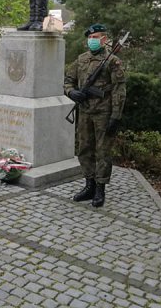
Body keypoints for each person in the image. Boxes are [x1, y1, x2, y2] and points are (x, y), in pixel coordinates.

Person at [64, 23, 126, 207]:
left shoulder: (113, 61)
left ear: (104, 40)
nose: (92, 40)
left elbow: (119, 90)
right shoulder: (81, 59)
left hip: (103, 113)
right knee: (84, 149)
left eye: (96, 37)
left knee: (103, 151)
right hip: (84, 111)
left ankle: (100, 189)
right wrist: (71, 92)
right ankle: (89, 185)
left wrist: (116, 116)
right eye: (90, 38)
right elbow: (68, 80)